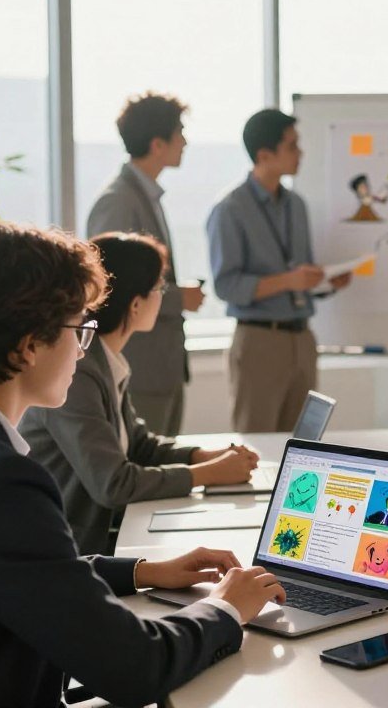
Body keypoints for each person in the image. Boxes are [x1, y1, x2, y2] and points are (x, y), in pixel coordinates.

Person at [0, 222, 285, 706]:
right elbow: (135, 666)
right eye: (78, 330)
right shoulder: (1, 483)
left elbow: (25, 571)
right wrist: (225, 609)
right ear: (28, 346)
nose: (82, 349)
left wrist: (146, 571)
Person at [21, 232, 260, 555]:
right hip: (72, 549)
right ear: (135, 304)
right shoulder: (77, 372)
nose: (164, 296)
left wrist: (203, 456)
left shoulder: (105, 360)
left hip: (101, 537)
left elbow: (139, 444)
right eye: (159, 288)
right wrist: (208, 474)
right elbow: (113, 484)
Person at [207, 109, 351, 432]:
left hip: (302, 339)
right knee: (256, 441)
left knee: (305, 442)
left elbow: (299, 276)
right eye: (292, 146)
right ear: (264, 155)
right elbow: (227, 286)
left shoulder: (296, 205)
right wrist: (289, 281)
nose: (301, 153)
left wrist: (327, 283)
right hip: (260, 341)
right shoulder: (230, 209)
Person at [87, 92, 206, 435]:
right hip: (140, 368)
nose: (185, 141)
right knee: (145, 462)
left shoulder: (144, 195)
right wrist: (178, 298)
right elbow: (112, 285)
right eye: (179, 132)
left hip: (161, 367)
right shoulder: (118, 201)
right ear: (157, 144)